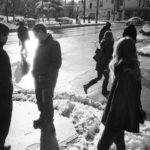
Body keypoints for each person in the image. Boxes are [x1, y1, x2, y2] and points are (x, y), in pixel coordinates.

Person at [97, 37, 142, 150]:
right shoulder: (130, 68)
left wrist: (110, 124)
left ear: (121, 52)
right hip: (122, 118)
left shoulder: (125, 73)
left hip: (116, 120)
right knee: (119, 142)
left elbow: (118, 103)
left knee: (101, 147)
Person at [32, 24, 62, 130]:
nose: (35, 37)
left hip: (48, 80)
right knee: (39, 100)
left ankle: (49, 122)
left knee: (47, 101)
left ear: (41, 32)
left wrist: (45, 75)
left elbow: (56, 64)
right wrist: (34, 71)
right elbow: (36, 59)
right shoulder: (40, 44)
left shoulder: (54, 44)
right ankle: (43, 117)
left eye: (36, 35)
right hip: (38, 79)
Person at [83, 31, 114, 97]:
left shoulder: (104, 42)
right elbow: (107, 56)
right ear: (110, 36)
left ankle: (86, 86)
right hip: (104, 64)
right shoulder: (109, 44)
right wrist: (106, 66)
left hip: (100, 63)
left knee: (99, 77)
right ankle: (104, 91)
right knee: (106, 78)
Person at [0, 23, 13, 150]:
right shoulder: (1, 54)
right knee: (3, 124)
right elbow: (4, 79)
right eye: (5, 35)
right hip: (2, 99)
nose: (7, 38)